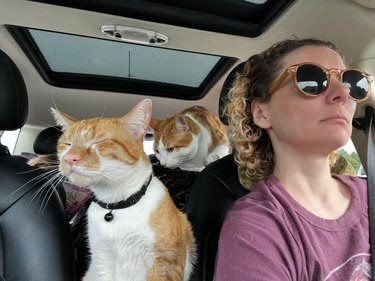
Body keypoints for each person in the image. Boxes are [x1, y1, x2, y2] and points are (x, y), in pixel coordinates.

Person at [214, 38, 373, 280]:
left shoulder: (371, 194)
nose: (343, 93)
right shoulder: (257, 228)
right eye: (311, 80)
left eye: (351, 82)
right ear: (262, 113)